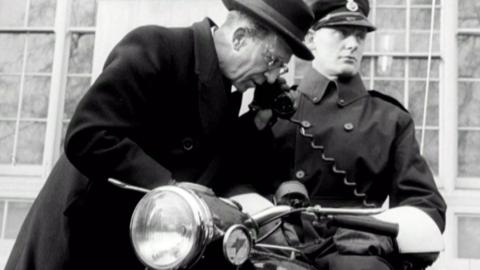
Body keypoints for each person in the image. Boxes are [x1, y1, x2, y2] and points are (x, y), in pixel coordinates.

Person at [5, 0, 315, 269]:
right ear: (239, 38)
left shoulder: (225, 89)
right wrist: (169, 186)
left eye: (281, 69)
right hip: (80, 238)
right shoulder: (156, 47)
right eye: (273, 61)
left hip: (138, 245)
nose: (273, 75)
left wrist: (258, 122)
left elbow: (212, 166)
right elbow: (88, 134)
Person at [225, 0, 447, 269]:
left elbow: (425, 205)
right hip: (277, 247)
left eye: (359, 36)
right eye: (341, 33)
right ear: (310, 38)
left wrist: (379, 233)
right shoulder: (270, 112)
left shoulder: (389, 120)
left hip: (358, 252)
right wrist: (265, 218)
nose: (352, 44)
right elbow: (229, 180)